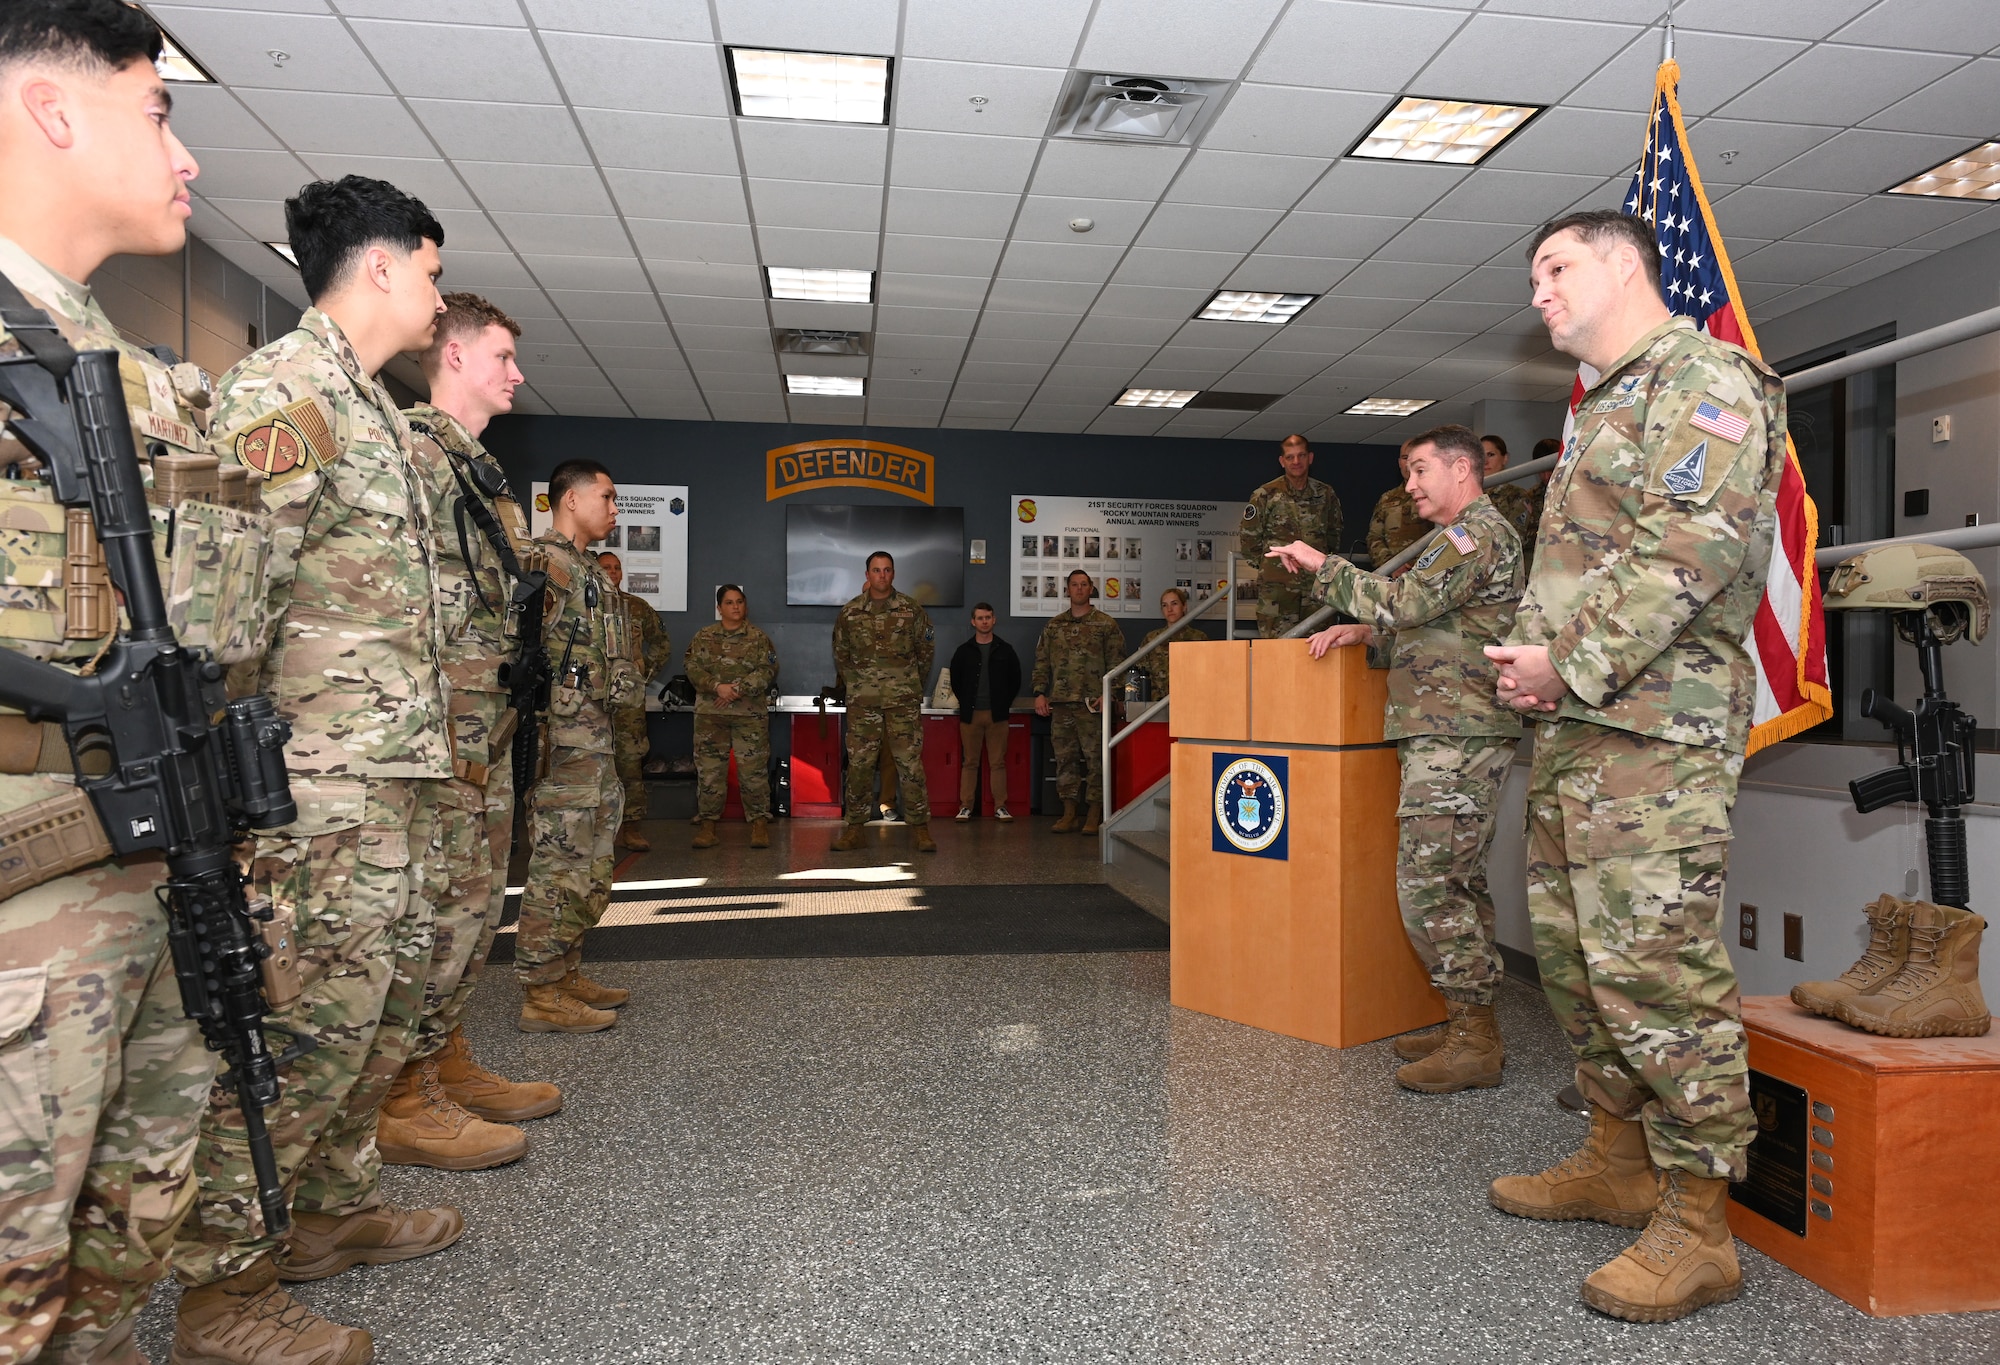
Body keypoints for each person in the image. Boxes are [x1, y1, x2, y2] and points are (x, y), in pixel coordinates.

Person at [0, 6, 257, 1357]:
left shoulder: (115, 368)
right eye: (160, 111)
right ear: (51, 110)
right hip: (27, 893)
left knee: (130, 1214)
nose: (189, 158)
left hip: (146, 859)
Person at [173, 174, 459, 1362]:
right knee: (297, 1036)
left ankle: (329, 1213)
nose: (440, 297)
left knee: (369, 1018)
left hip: (382, 782)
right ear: (382, 264)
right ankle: (221, 1291)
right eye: (433, 271)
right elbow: (225, 606)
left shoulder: (374, 409)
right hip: (314, 792)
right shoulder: (289, 393)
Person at [1483, 209, 1787, 1324]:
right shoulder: (1602, 404)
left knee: (1654, 970)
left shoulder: (1706, 379)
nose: (1539, 294)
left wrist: (1558, 665)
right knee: (1573, 961)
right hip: (1578, 729)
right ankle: (1616, 1159)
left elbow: (1685, 549)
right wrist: (1535, 670)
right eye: (1532, 276)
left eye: (1553, 268)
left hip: (1655, 734)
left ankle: (1699, 1223)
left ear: (1622, 263)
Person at [1271, 425, 1523, 1094]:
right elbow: (1437, 626)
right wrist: (1369, 630)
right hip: (1451, 730)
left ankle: (1474, 1038)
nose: (1409, 485)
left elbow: (1409, 601)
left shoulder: (1473, 535)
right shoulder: (1456, 540)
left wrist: (1324, 565)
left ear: (1461, 468)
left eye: (1419, 470)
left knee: (1429, 885)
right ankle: (1471, 1023)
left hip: (1458, 736)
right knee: (1457, 883)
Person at [386, 291, 561, 1175]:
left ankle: (442, 1057)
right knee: (439, 909)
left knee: (474, 905)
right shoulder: (412, 456)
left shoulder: (476, 476)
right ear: (454, 357)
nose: (516, 373)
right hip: (435, 736)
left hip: (481, 730)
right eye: (502, 356)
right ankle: (405, 1092)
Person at [515, 459, 637, 1032]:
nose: (615, 509)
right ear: (570, 499)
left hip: (595, 739)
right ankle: (541, 993)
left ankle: (566, 971)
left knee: (591, 862)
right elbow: (515, 653)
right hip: (563, 744)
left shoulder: (589, 570)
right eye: (608, 497)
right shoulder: (547, 566)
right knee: (559, 863)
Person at [831, 551, 937, 854]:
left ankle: (920, 829)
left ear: (893, 573)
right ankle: (854, 830)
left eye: (887, 570)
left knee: (910, 765)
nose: (881, 575)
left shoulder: (910, 609)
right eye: (875, 570)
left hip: (902, 701)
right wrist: (858, 685)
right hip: (863, 703)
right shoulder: (850, 612)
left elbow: (925, 652)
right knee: (860, 766)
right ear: (867, 575)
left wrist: (910, 685)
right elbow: (842, 655)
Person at [1032, 571, 1127, 835]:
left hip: (1092, 705)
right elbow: (1041, 662)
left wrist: (1111, 693)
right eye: (1074, 585)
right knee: (1065, 760)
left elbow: (1118, 662)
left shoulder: (1106, 624)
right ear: (1068, 590)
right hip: (1061, 703)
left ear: (1091, 589)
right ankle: (1069, 813)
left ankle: (1094, 813)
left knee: (1095, 760)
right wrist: (1040, 692)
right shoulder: (1054, 626)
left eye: (1084, 584)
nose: (1079, 588)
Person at [685, 583, 779, 848]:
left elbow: (768, 670)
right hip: (711, 716)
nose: (735, 606)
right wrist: (717, 687)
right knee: (710, 772)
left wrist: (737, 689)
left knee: (754, 772)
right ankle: (707, 826)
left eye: (739, 601)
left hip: (748, 715)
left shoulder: (758, 638)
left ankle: (759, 825)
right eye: (729, 602)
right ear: (719, 608)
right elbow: (692, 668)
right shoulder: (703, 637)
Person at [596, 550, 673, 852]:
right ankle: (596, 830)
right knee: (592, 763)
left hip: (628, 702)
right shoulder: (584, 603)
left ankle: (631, 827)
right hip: (592, 700)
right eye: (606, 568)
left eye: (617, 568)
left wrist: (643, 672)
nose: (613, 573)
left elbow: (661, 643)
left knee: (629, 762)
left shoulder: (637, 607)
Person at [1240, 432, 1343, 636]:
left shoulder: (1326, 494)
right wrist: (1271, 568)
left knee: (1318, 653)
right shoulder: (1265, 494)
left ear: (1310, 458)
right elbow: (1249, 540)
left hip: (1316, 589)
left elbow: (1334, 536)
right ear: (1282, 461)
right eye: (1290, 457)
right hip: (1277, 593)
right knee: (1276, 655)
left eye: (1301, 455)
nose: (1296, 461)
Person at [947, 602, 1022, 821]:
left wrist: (1002, 703)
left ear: (994, 619)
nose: (984, 621)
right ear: (973, 622)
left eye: (988, 617)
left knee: (997, 762)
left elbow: (1015, 680)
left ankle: (1000, 806)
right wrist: (967, 701)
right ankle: (966, 806)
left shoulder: (1006, 650)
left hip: (997, 715)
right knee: (970, 762)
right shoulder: (963, 652)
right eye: (980, 618)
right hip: (971, 716)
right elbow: (956, 681)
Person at [1366, 441, 1432, 572]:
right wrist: (1391, 566)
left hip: (1427, 574)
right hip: (1391, 576)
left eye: (1413, 458)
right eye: (1405, 458)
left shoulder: (1435, 495)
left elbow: (1444, 535)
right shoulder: (1387, 498)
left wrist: (1415, 567)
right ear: (1399, 462)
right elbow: (1374, 537)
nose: (1408, 463)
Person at [1138, 586, 1209, 697]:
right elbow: (1140, 671)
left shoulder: (1198, 638)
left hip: (1191, 700)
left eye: (1174, 604)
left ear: (1184, 606)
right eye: (1164, 605)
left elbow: (1206, 673)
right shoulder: (1152, 638)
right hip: (1156, 704)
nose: (1169, 609)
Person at [1483, 432, 1540, 562]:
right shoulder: (1473, 497)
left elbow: (1512, 541)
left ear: (1505, 458)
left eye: (1491, 455)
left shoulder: (1517, 496)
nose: (1485, 461)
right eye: (1480, 456)